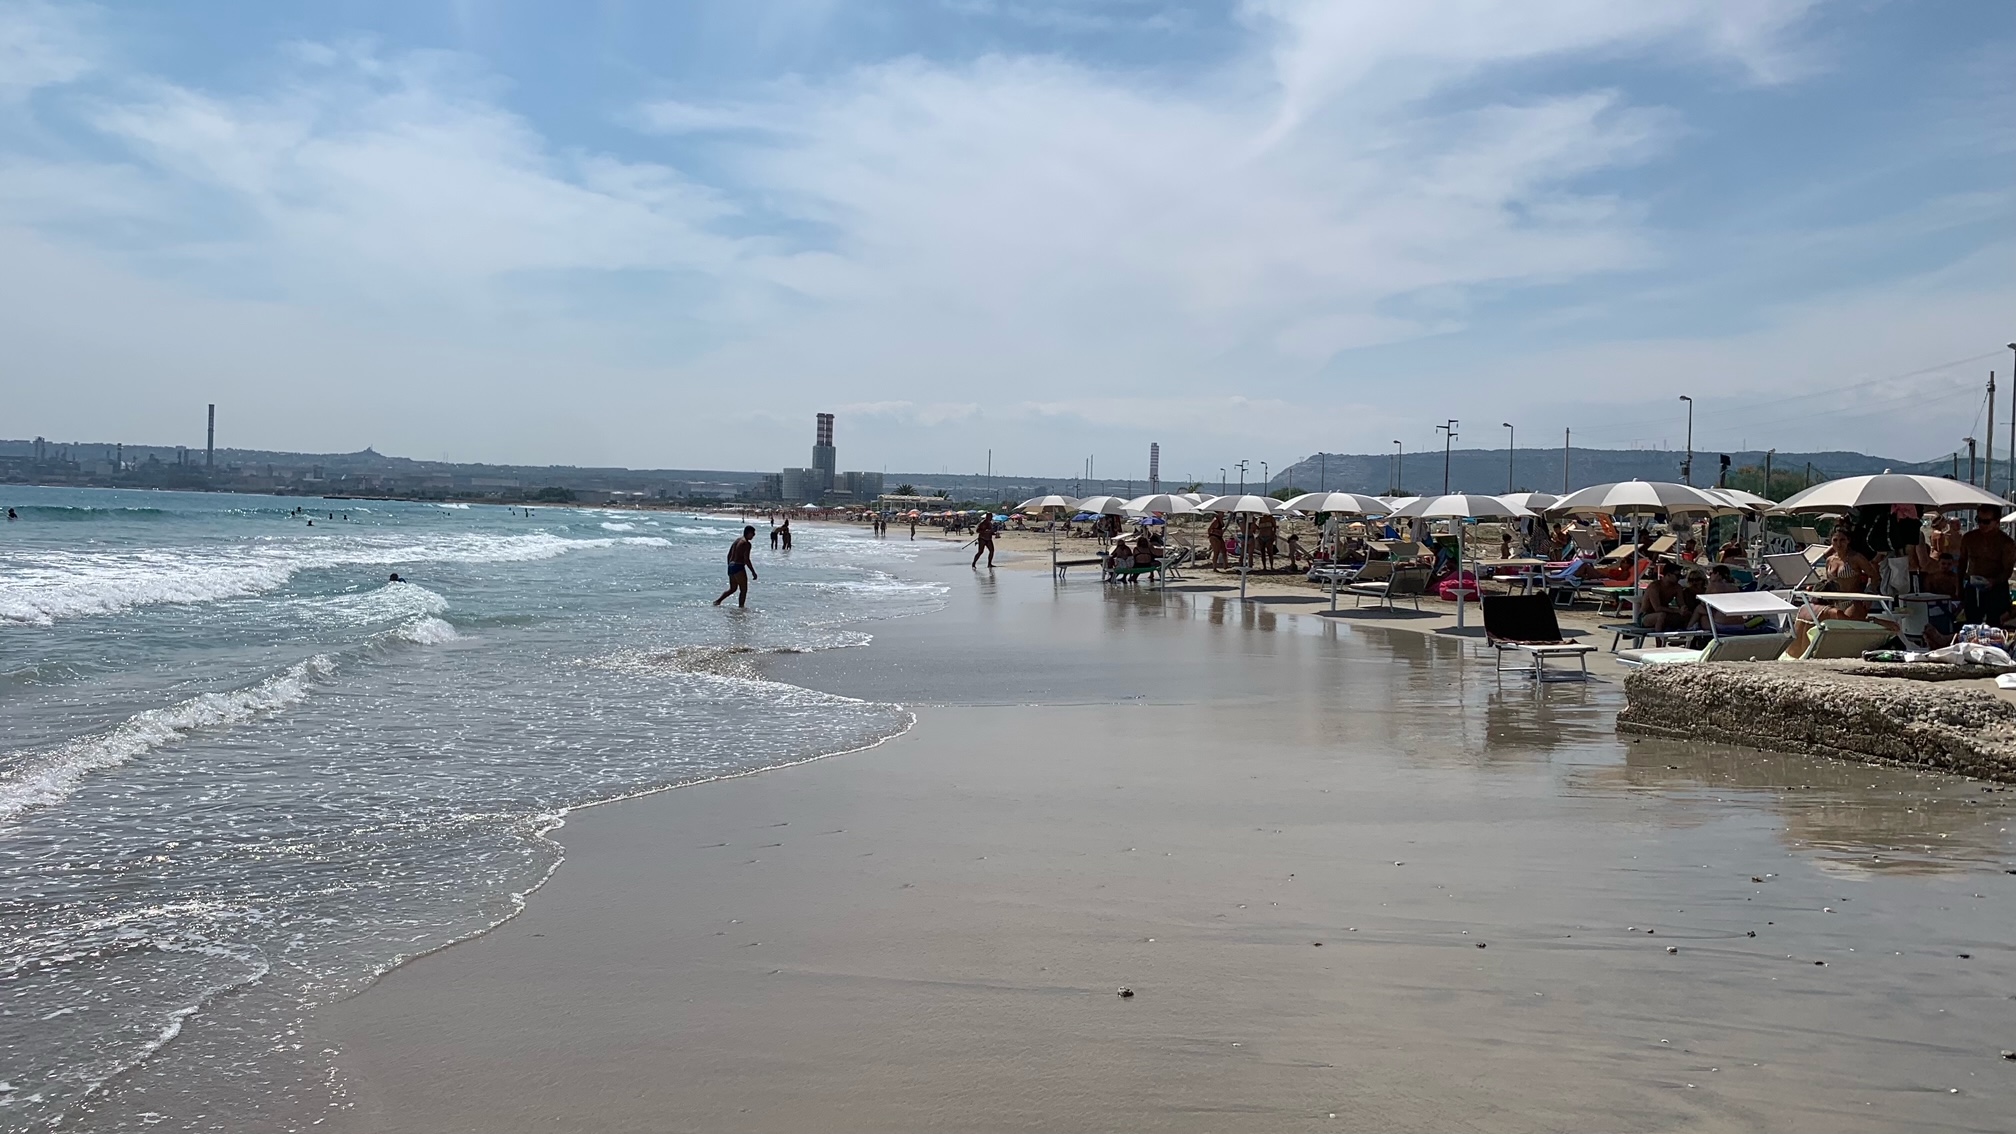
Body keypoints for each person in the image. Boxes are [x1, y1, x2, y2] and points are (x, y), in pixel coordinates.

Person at [1958, 505, 2016, 627]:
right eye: (1978, 520)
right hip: (1973, 586)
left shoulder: (2006, 543)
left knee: (1994, 625)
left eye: (1986, 522)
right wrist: (1959, 586)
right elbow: (1962, 562)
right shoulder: (1969, 538)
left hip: (1996, 589)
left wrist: (1994, 581)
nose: (1982, 525)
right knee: (1971, 625)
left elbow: (2008, 570)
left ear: (1997, 522)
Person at [714, 525, 759, 607]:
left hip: (731, 566)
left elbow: (729, 554)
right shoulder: (746, 544)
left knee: (733, 589)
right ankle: (741, 608)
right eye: (753, 533)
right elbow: (746, 559)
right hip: (739, 567)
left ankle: (717, 601)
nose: (754, 535)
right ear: (748, 533)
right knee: (743, 590)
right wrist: (753, 572)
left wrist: (729, 566)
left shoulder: (737, 540)